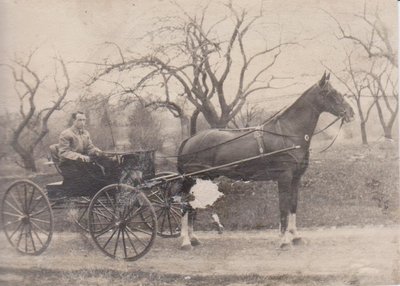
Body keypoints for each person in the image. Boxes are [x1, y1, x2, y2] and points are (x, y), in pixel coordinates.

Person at [58, 111, 113, 195]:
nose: (82, 123)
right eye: (80, 120)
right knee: (87, 178)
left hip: (82, 162)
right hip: (68, 164)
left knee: (103, 165)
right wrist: (80, 156)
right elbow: (64, 152)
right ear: (74, 121)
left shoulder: (85, 133)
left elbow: (89, 148)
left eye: (84, 120)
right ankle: (94, 194)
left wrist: (97, 151)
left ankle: (109, 189)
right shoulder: (66, 134)